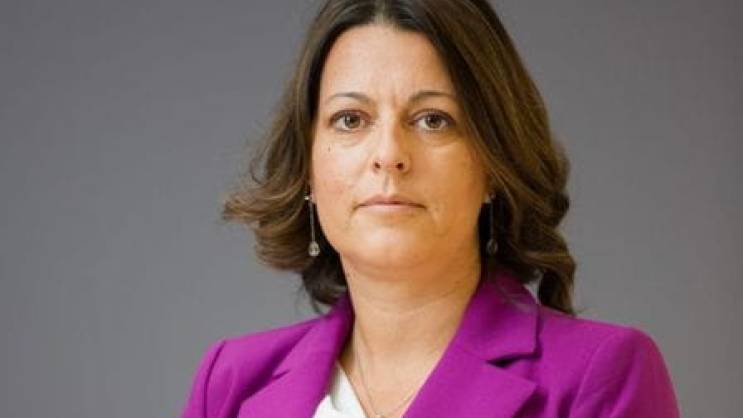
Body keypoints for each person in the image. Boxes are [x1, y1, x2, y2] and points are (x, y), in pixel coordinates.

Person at [179, 1, 680, 417]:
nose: (389, 155)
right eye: (350, 119)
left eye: (433, 120)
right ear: (308, 168)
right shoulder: (231, 385)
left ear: (493, 162)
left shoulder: (603, 374)